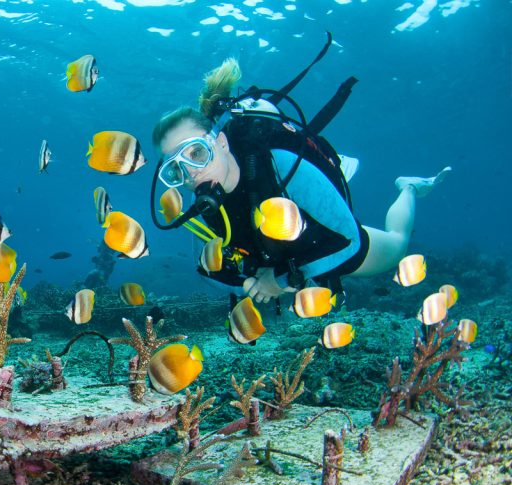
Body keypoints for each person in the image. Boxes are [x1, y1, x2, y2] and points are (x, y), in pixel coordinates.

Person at [150, 57, 449, 305]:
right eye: (176, 169)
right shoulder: (200, 205)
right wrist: (252, 283)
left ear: (222, 143)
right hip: (281, 260)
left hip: (324, 240)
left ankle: (408, 187)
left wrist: (279, 280)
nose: (191, 172)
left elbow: (349, 242)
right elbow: (207, 271)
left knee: (397, 247)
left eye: (196, 153)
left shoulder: (278, 163)